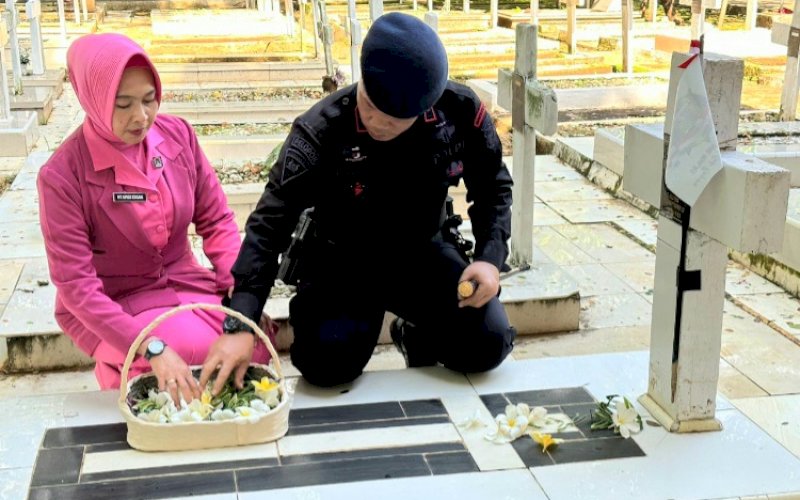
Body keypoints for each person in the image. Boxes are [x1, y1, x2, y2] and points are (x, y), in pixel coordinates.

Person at [201, 12, 516, 390]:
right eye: (368, 108)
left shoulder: (459, 112)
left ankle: (415, 334)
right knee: (325, 367)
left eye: (392, 120)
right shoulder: (320, 129)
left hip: (422, 252)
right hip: (342, 261)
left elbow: (493, 185)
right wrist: (242, 320)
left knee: (488, 345)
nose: (376, 124)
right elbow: (270, 223)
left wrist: (489, 260)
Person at [37, 33, 272, 402]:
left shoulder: (177, 137)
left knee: (251, 345)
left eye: (149, 99)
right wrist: (151, 346)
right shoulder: (63, 176)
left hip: (183, 283)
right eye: (123, 104)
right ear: (93, 100)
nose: (141, 117)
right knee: (186, 360)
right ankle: (121, 359)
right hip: (115, 301)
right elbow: (77, 287)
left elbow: (217, 219)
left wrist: (238, 292)